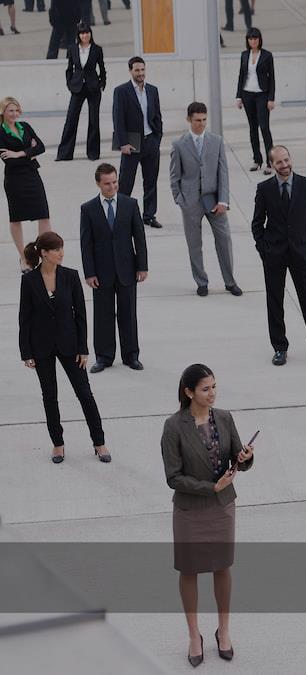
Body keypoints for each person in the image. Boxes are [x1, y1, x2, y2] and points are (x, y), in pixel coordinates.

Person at [161, 363, 255, 667]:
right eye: (205, 389)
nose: (212, 393)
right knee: (188, 571)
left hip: (222, 506)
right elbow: (173, 477)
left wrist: (246, 458)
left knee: (222, 567)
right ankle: (194, 636)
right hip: (190, 509)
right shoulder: (173, 426)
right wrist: (210, 487)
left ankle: (223, 631)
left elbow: (238, 459)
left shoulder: (224, 418)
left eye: (214, 386)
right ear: (189, 392)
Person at [19, 231, 109, 464]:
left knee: (85, 394)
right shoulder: (29, 281)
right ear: (44, 253)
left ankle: (99, 442)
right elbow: (24, 318)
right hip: (41, 347)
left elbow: (80, 315)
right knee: (50, 396)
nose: (61, 253)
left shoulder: (70, 276)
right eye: (56, 249)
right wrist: (26, 352)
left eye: (62, 248)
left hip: (70, 345)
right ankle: (57, 444)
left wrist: (83, 348)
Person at [250, 145, 306, 367]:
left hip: (301, 254)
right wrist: (264, 250)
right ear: (272, 165)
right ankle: (280, 348)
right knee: (275, 302)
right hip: (274, 255)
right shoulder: (264, 189)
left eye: (286, 160)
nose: (284, 165)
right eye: (279, 162)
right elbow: (257, 223)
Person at [169, 102, 241, 298]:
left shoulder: (216, 141)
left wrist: (223, 201)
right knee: (194, 244)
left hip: (214, 201)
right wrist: (180, 200)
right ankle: (201, 282)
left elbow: (223, 172)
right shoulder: (179, 144)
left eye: (204, 120)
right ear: (189, 120)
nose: (201, 124)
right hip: (190, 202)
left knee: (224, 240)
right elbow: (174, 176)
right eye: (197, 120)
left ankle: (230, 281)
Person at [80, 162, 147, 372]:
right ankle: (104, 357)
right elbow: (86, 244)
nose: (112, 187)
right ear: (98, 184)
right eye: (107, 183)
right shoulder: (88, 209)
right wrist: (89, 273)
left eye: (115, 182)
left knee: (128, 314)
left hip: (127, 270)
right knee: (103, 316)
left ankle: (131, 356)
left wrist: (142, 266)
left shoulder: (130, 204)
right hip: (101, 273)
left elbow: (139, 238)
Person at [112, 56, 164, 228]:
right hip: (132, 141)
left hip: (151, 140)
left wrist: (158, 137)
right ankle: (122, 216)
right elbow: (118, 119)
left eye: (142, 69)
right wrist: (123, 143)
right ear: (130, 71)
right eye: (137, 70)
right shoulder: (121, 91)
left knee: (151, 181)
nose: (140, 73)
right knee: (126, 182)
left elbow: (157, 116)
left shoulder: (152, 90)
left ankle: (149, 216)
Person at [2, 97, 51, 273]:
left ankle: (43, 253)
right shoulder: (0, 132)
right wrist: (30, 153)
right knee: (16, 218)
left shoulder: (26, 126)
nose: (14, 114)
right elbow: (9, 161)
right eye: (10, 110)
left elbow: (41, 147)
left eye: (17, 110)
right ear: (3, 112)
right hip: (14, 179)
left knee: (43, 215)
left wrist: (19, 153)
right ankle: (23, 257)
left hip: (32, 176)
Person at [56, 25, 106, 162]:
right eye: (82, 33)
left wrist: (102, 83)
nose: (85, 35)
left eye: (87, 33)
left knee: (94, 120)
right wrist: (70, 84)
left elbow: (102, 67)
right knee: (71, 119)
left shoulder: (97, 49)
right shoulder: (72, 49)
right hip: (77, 87)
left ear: (90, 34)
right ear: (78, 35)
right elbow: (69, 69)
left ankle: (93, 153)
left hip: (93, 88)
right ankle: (64, 154)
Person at [235, 27, 274, 174]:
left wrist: (271, 98)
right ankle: (257, 159)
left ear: (259, 39)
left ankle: (270, 161)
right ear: (247, 40)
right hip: (247, 94)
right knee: (253, 128)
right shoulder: (244, 55)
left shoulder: (267, 55)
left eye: (255, 38)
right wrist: (238, 96)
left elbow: (272, 78)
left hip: (262, 95)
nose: (253, 41)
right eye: (250, 39)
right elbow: (241, 76)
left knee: (264, 127)